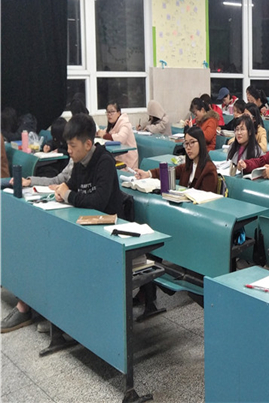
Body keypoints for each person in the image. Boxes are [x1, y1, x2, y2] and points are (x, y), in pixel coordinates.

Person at [2, 113, 125, 333]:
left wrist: (68, 195)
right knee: (40, 245)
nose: (68, 151)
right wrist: (63, 193)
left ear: (88, 145)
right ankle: (34, 307)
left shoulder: (104, 162)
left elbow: (97, 201)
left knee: (57, 255)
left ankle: (61, 320)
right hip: (84, 225)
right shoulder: (79, 163)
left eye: (72, 146)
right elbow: (70, 188)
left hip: (105, 233)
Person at [136, 126, 218, 193]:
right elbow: (169, 172)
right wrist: (148, 174)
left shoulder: (209, 170)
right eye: (186, 143)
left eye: (192, 142)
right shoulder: (188, 165)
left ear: (201, 143)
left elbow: (205, 199)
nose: (188, 147)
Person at [96, 101, 139, 169]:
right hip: (117, 159)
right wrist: (98, 133)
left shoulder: (125, 123)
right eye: (108, 112)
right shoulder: (112, 124)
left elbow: (120, 138)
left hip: (128, 161)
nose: (109, 114)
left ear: (118, 113)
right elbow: (105, 132)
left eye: (112, 112)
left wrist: (104, 135)